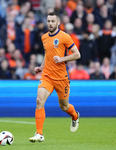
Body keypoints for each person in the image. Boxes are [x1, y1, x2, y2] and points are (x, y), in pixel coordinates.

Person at [29, 12, 81, 142]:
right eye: (48, 21)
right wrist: (41, 67)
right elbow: (48, 54)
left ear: (58, 22)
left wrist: (62, 59)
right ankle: (39, 134)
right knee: (39, 100)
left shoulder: (65, 37)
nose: (50, 24)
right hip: (47, 75)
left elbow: (77, 54)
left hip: (62, 77)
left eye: (53, 21)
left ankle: (75, 116)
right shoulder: (44, 37)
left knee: (64, 107)